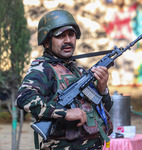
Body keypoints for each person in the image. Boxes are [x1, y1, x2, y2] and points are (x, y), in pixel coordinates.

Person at [15, 10, 113, 150]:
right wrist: (65, 113)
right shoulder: (43, 69)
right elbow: (23, 98)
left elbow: (104, 110)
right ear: (47, 42)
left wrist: (103, 89)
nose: (67, 40)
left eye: (71, 34)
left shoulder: (77, 72)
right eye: (60, 36)